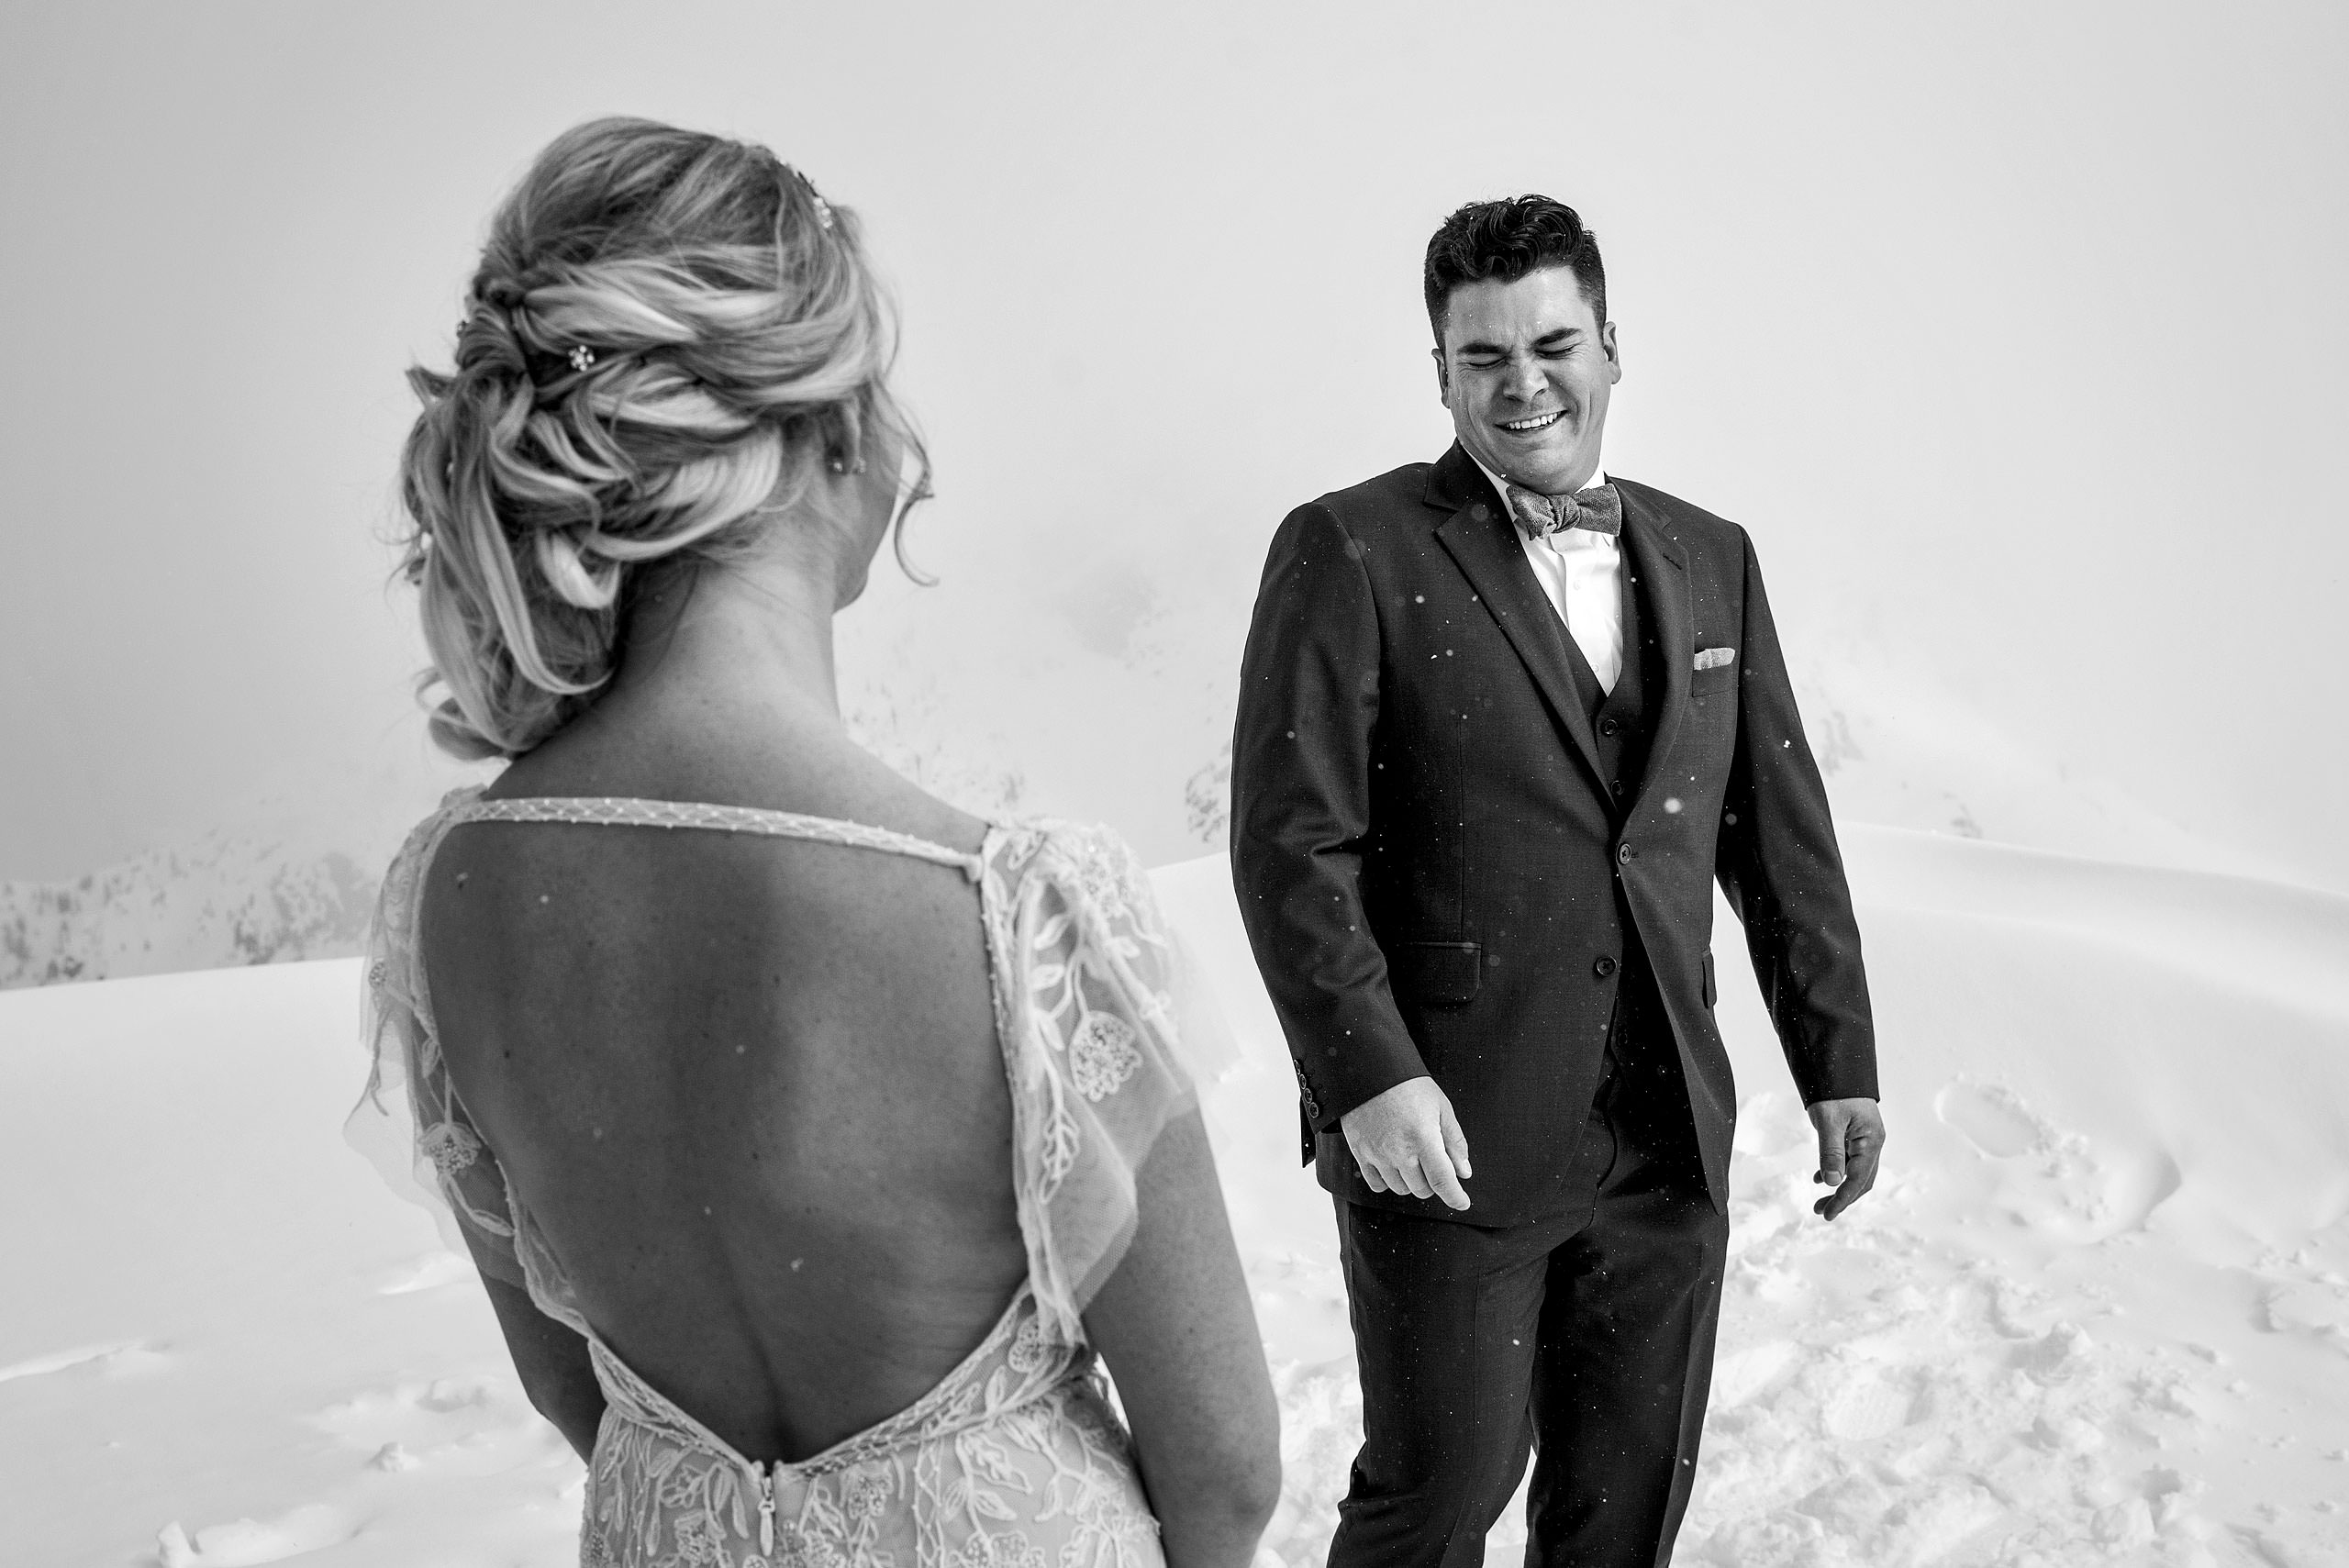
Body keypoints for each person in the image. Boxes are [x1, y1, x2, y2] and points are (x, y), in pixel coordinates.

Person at [349, 117, 1278, 1568]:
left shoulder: (449, 900)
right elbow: (1223, 1469)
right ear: (833, 431)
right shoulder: (1014, 917)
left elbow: (562, 1376)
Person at [1230, 196, 1885, 1567]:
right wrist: (1367, 1076)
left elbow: (1778, 829)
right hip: (1448, 1139)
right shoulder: (1350, 547)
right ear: (1442, 374)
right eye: (1483, 358)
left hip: (1663, 1134)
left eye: (1552, 342)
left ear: (1609, 346)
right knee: (1435, 1497)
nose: (1523, 382)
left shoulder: (1713, 555)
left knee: (1622, 1510)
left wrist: (1839, 1059)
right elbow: (1292, 844)